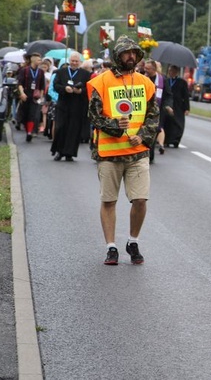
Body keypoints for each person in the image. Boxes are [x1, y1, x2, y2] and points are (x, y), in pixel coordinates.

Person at [86, 36, 159, 265]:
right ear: (118, 56)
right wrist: (115, 126)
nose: (131, 57)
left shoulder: (146, 83)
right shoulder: (101, 82)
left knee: (140, 199)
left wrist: (144, 135)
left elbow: (153, 116)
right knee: (109, 201)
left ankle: (132, 241)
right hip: (109, 153)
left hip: (137, 152)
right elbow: (94, 116)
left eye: (135, 54)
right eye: (127, 53)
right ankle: (111, 247)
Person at [50, 52, 91, 161]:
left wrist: (81, 91)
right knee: (60, 128)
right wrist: (64, 89)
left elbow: (89, 89)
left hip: (77, 106)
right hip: (63, 104)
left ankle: (69, 153)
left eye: (76, 61)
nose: (74, 63)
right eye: (72, 61)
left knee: (74, 130)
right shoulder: (61, 72)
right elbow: (55, 85)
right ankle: (59, 151)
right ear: (69, 61)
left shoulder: (85, 74)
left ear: (80, 62)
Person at [144, 59, 172, 163]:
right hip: (144, 111)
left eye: (148, 69)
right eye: (145, 68)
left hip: (158, 110)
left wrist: (168, 106)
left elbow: (168, 95)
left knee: (154, 132)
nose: (145, 70)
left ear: (154, 69)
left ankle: (150, 156)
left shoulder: (162, 80)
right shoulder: (142, 78)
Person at [16, 52, 46, 142]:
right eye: (38, 59)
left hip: (35, 97)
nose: (40, 61)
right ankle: (27, 128)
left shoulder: (40, 72)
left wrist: (40, 96)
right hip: (25, 95)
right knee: (24, 115)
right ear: (33, 59)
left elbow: (42, 86)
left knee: (32, 115)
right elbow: (20, 83)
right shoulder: (24, 70)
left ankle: (29, 132)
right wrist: (22, 93)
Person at [162, 65, 190, 148]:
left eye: (173, 71)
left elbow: (186, 96)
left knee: (178, 123)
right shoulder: (166, 80)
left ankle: (175, 140)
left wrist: (187, 108)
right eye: (170, 71)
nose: (171, 72)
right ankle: (166, 140)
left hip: (178, 105)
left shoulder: (182, 82)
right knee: (168, 123)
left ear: (176, 72)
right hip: (168, 104)